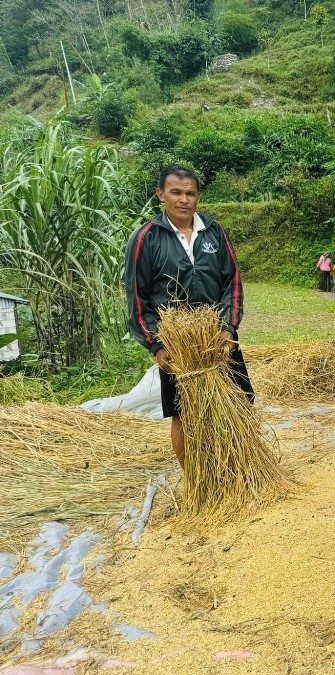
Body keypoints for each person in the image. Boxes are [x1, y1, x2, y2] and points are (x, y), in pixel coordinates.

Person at [125, 165, 253, 468]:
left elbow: (231, 282)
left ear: (197, 197)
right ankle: (196, 479)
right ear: (161, 195)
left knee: (241, 402)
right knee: (183, 415)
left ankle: (239, 467)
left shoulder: (214, 231)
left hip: (216, 338)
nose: (184, 199)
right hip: (178, 345)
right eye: (176, 192)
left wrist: (228, 329)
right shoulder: (146, 237)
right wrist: (157, 345)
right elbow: (136, 297)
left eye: (191, 193)